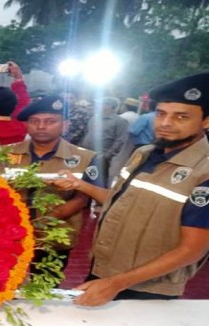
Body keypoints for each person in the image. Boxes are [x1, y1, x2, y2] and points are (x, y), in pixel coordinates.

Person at [53, 73, 209, 306]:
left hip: (148, 290)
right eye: (161, 114)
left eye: (181, 117)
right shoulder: (143, 154)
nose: (165, 123)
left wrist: (117, 283)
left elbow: (192, 249)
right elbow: (118, 199)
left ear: (206, 121)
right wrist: (80, 184)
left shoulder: (203, 172)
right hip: (104, 273)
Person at [7, 95, 102, 274]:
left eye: (50, 121)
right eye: (34, 121)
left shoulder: (84, 158)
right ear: (27, 124)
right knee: (3, 283)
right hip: (9, 236)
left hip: (54, 237)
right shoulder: (4, 154)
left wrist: (42, 221)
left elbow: (83, 199)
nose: (41, 126)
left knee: (44, 288)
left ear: (65, 125)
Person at [80, 97, 130, 186]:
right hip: (87, 153)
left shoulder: (120, 121)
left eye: (103, 104)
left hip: (101, 156)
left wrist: (107, 155)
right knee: (84, 177)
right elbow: (87, 133)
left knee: (98, 180)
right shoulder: (94, 118)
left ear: (111, 107)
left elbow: (121, 140)